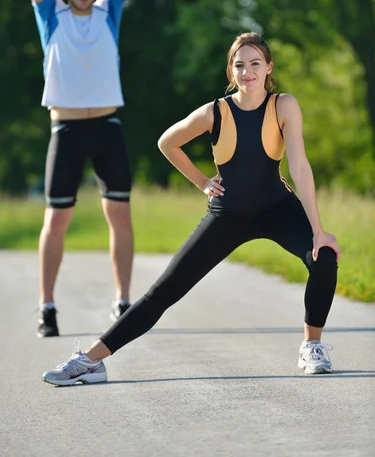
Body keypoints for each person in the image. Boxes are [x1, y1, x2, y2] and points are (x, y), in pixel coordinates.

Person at [42, 32, 341, 384]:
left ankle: (312, 345)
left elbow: (300, 167)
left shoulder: (284, 105)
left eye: (255, 64)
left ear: (268, 68)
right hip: (227, 215)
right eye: (240, 65)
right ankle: (92, 360)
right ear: (232, 71)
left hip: (277, 207)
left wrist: (318, 230)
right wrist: (202, 182)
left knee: (324, 257)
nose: (248, 72)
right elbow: (167, 142)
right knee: (164, 292)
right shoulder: (216, 111)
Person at [31, 0, 134, 337]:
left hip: (108, 127)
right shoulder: (50, 14)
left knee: (120, 214)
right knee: (56, 219)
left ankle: (124, 301)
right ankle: (47, 307)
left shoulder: (110, 10)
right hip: (67, 128)